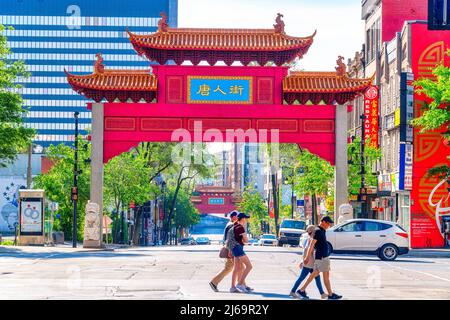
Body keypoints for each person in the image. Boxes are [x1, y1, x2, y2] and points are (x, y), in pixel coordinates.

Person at [297, 216, 343, 300]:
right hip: (321, 257)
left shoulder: (322, 230)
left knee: (322, 275)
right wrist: (307, 257)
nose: (329, 225)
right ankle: (302, 290)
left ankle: (330, 294)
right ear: (323, 222)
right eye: (328, 223)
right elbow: (312, 244)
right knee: (317, 274)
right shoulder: (317, 231)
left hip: (323, 257)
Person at [289, 225, 327, 299]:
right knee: (302, 278)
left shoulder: (308, 239)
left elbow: (305, 251)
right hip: (309, 263)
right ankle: (293, 291)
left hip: (310, 262)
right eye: (309, 233)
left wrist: (302, 261)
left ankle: (322, 293)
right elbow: (308, 251)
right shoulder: (311, 239)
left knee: (317, 278)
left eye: (310, 233)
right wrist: (303, 261)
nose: (310, 234)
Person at [209, 211, 238, 292]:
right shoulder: (231, 225)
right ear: (232, 217)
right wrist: (230, 250)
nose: (237, 218)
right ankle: (214, 282)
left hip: (230, 248)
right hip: (230, 249)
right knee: (229, 268)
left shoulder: (230, 224)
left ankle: (242, 284)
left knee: (235, 267)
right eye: (236, 216)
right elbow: (228, 239)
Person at [231, 212, 253, 294]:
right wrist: (245, 239)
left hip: (234, 248)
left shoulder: (235, 226)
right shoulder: (241, 227)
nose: (246, 220)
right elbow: (246, 240)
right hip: (239, 248)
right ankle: (240, 284)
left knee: (236, 268)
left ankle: (232, 287)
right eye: (245, 218)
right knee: (249, 266)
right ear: (243, 219)